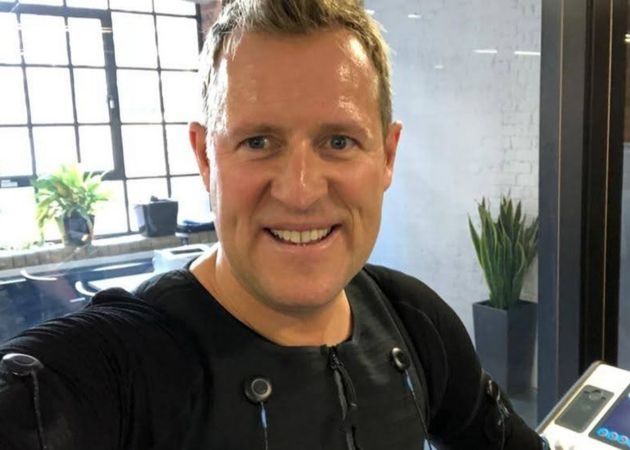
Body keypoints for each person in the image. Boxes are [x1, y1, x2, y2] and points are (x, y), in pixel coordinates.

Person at [0, 1, 549, 449]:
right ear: (205, 157)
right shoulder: (122, 365)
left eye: (339, 141)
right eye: (258, 141)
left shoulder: (413, 322)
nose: (300, 190)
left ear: (387, 156)